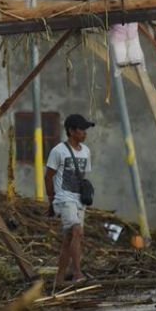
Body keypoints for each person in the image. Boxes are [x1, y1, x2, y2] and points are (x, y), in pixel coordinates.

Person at [45, 114, 95, 284]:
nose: (85, 133)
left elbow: (83, 175)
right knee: (76, 230)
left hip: (79, 199)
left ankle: (59, 278)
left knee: (70, 238)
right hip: (63, 198)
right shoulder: (58, 151)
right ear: (71, 131)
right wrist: (51, 201)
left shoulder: (86, 151)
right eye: (82, 130)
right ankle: (77, 273)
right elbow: (48, 176)